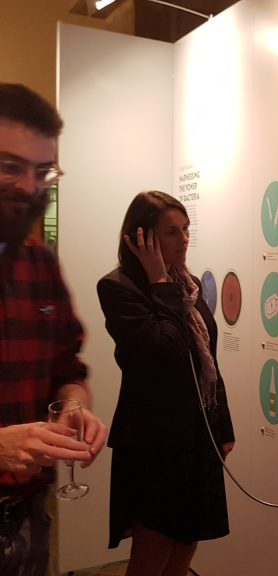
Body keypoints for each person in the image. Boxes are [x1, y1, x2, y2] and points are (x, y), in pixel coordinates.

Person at [0, 82, 108, 575]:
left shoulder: (40, 263)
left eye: (43, 171)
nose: (30, 187)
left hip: (27, 518)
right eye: (10, 167)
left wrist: (74, 406)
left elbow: (68, 366)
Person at [97, 191, 234, 576]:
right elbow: (165, 351)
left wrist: (223, 426)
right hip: (154, 440)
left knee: (188, 539)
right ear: (143, 238)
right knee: (154, 544)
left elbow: (208, 358)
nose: (184, 239)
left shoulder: (187, 285)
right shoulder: (119, 288)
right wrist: (159, 281)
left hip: (197, 432)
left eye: (186, 229)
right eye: (172, 232)